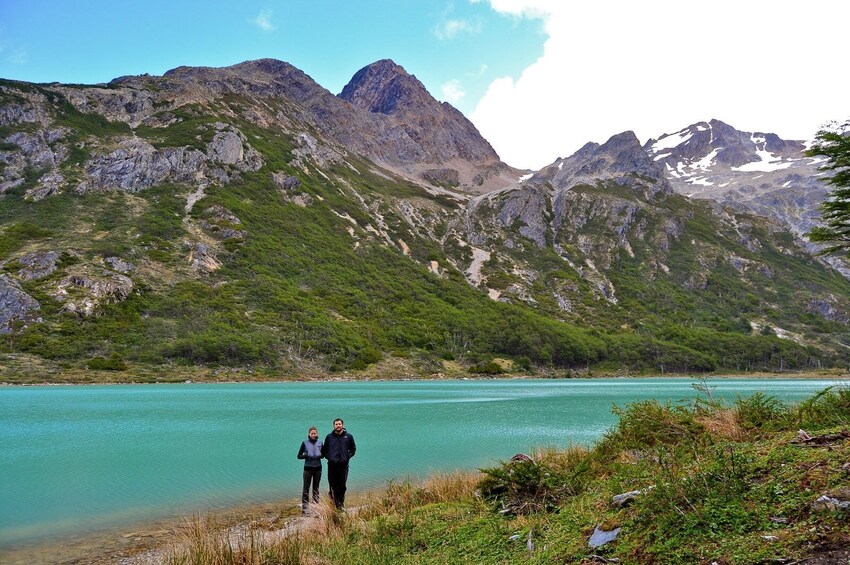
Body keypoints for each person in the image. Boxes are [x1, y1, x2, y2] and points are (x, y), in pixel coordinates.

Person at [321, 418, 356, 509]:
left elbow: (353, 449)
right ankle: (334, 503)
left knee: (342, 486)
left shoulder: (348, 436)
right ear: (334, 426)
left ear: (342, 425)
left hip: (343, 466)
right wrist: (330, 457)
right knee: (332, 485)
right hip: (332, 466)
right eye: (336, 424)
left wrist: (347, 456)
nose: (338, 426)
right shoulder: (329, 437)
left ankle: (340, 504)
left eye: (339, 424)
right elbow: (324, 450)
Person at [297, 426, 323, 514]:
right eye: (311, 433)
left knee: (316, 489)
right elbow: (298, 456)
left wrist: (321, 455)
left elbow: (323, 455)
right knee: (306, 489)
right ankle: (305, 509)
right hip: (307, 469)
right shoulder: (304, 443)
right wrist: (306, 455)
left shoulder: (320, 443)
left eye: (314, 433)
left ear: (317, 434)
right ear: (309, 434)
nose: (313, 435)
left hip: (318, 469)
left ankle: (316, 508)